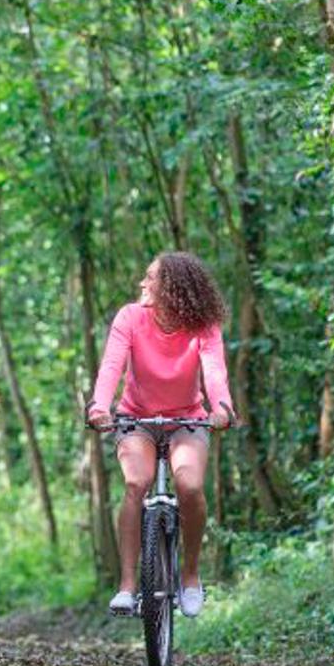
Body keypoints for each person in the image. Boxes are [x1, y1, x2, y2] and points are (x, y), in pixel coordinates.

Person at [87, 252, 233, 618]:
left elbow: (214, 372)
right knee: (136, 483)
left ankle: (190, 576)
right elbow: (111, 366)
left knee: (190, 486)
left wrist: (222, 409)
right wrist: (99, 407)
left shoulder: (203, 324)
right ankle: (126, 586)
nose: (142, 284)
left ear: (173, 288)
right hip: (137, 417)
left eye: (150, 278)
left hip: (187, 419)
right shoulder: (130, 317)